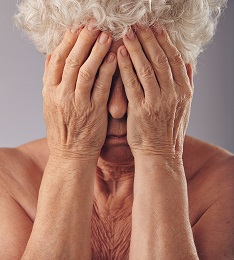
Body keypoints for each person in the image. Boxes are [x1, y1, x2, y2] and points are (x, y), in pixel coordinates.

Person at [0, 0, 233, 259]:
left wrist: (158, 155)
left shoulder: (225, 186)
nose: (118, 108)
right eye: (97, 78)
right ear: (54, 80)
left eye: (141, 79)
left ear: (183, 83)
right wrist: (71, 155)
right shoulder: (7, 182)